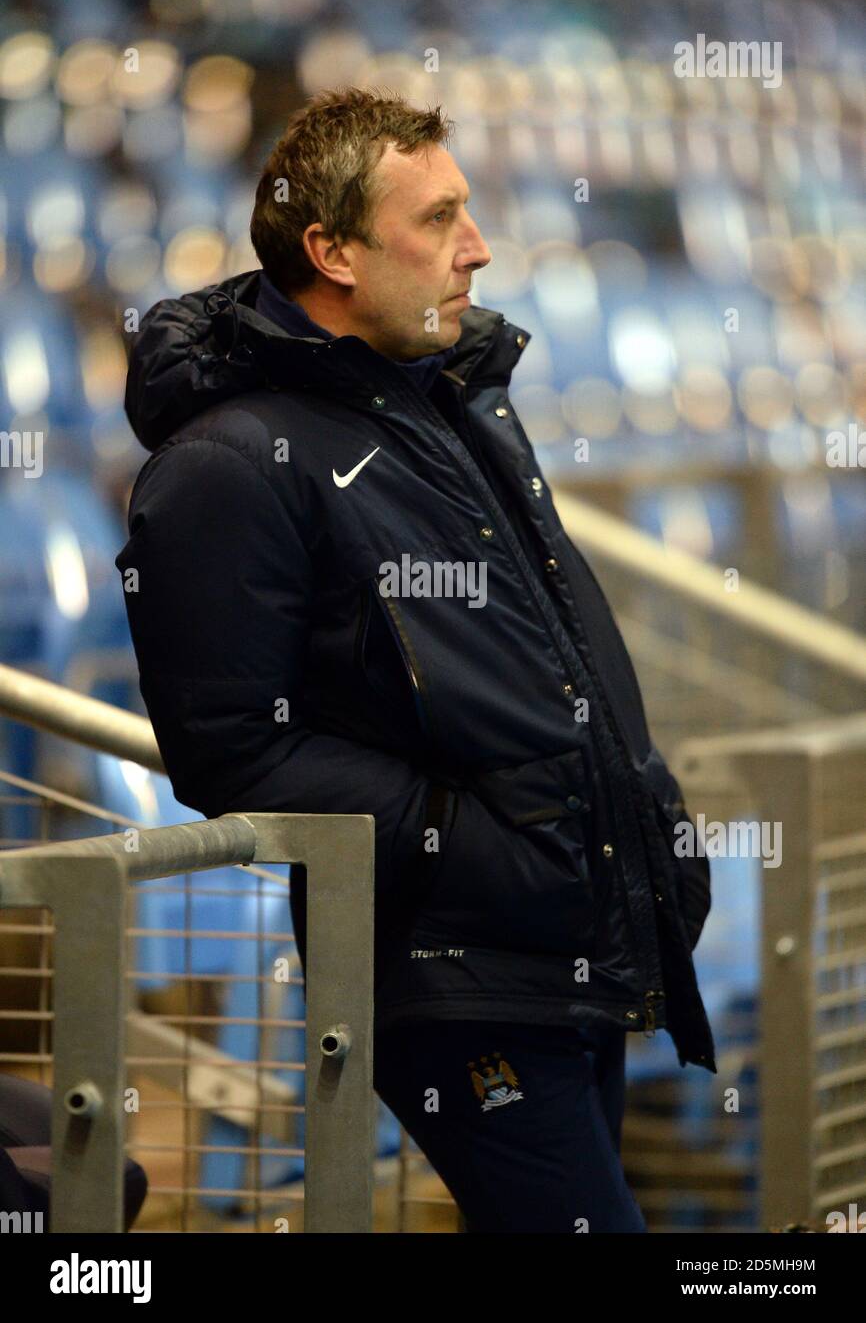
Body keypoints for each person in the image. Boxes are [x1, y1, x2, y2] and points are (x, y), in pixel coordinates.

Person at [116, 85, 715, 1233]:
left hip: (567, 933)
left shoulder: (447, 400)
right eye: (437, 219)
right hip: (454, 966)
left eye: (468, 212)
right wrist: (467, 833)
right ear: (330, 249)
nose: (477, 249)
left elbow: (547, 657)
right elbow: (232, 747)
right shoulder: (228, 466)